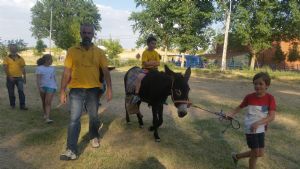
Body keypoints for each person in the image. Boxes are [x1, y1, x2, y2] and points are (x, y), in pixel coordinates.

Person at [59, 23, 112, 160]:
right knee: (74, 119)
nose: (87, 35)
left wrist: (110, 89)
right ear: (80, 33)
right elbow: (66, 72)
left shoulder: (99, 52)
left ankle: (94, 136)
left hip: (93, 90)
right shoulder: (72, 51)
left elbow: (106, 71)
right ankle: (71, 149)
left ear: (93, 34)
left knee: (93, 116)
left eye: (89, 33)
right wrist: (62, 90)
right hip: (76, 90)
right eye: (84, 32)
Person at [227, 72, 276, 169]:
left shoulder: (270, 98)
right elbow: (240, 107)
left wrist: (259, 123)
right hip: (250, 128)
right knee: (255, 153)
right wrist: (231, 114)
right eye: (255, 83)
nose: (257, 86)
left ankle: (236, 156)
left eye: (260, 84)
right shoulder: (249, 97)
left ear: (267, 85)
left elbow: (271, 116)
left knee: (260, 153)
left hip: (260, 128)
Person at [131, 36, 160, 104]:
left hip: (155, 70)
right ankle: (136, 94)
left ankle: (159, 95)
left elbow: (158, 63)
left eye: (155, 44)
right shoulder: (145, 52)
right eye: (152, 43)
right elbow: (145, 64)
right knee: (139, 77)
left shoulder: (156, 53)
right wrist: (153, 63)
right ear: (148, 44)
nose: (154, 45)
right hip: (145, 70)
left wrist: (150, 63)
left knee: (162, 78)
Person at [3, 44, 28, 110]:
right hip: (10, 78)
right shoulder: (6, 58)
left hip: (19, 78)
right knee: (11, 92)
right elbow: (5, 68)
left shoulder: (20, 58)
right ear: (10, 49)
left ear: (16, 49)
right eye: (12, 48)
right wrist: (9, 76)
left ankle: (22, 105)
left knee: (21, 91)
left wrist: (24, 78)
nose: (13, 50)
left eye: (14, 48)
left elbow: (23, 68)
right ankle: (12, 105)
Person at [36, 54, 57, 123]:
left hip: (51, 86)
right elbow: (38, 79)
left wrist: (55, 86)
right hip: (43, 87)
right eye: (51, 59)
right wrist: (40, 88)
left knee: (48, 102)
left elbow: (54, 78)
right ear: (46, 60)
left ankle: (47, 118)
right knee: (44, 101)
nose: (52, 61)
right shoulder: (39, 68)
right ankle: (45, 113)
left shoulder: (52, 68)